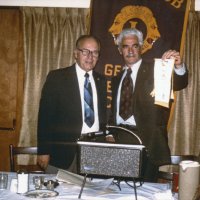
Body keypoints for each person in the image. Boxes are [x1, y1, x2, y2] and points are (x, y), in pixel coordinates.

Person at [109, 28, 188, 182]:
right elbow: (114, 110)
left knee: (144, 190)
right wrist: (111, 133)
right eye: (125, 46)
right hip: (121, 140)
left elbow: (179, 83)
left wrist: (178, 66)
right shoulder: (117, 78)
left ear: (141, 47)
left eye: (135, 46)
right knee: (120, 190)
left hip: (147, 141)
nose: (130, 50)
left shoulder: (155, 69)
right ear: (120, 50)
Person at [37, 35, 107, 173]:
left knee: (90, 193)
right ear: (76, 53)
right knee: (59, 194)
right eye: (85, 51)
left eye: (95, 52)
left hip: (95, 153)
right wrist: (43, 151)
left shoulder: (101, 80)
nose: (90, 56)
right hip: (63, 153)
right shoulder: (57, 78)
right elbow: (45, 118)